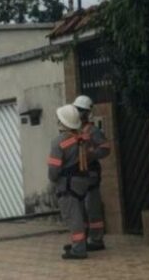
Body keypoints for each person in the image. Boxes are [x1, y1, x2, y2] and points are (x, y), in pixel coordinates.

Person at [48, 104, 90, 259]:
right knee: (80, 214)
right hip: (82, 182)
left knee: (73, 216)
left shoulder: (58, 142)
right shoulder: (83, 138)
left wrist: (53, 180)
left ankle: (79, 249)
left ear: (62, 122)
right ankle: (80, 243)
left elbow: (53, 170)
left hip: (67, 185)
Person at [72, 95, 111, 251]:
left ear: (87, 112)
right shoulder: (75, 131)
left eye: (81, 110)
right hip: (79, 174)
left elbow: (106, 148)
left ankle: (96, 239)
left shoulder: (93, 130)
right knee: (81, 209)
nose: (78, 113)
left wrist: (91, 154)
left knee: (92, 207)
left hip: (91, 174)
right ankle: (85, 238)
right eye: (77, 110)